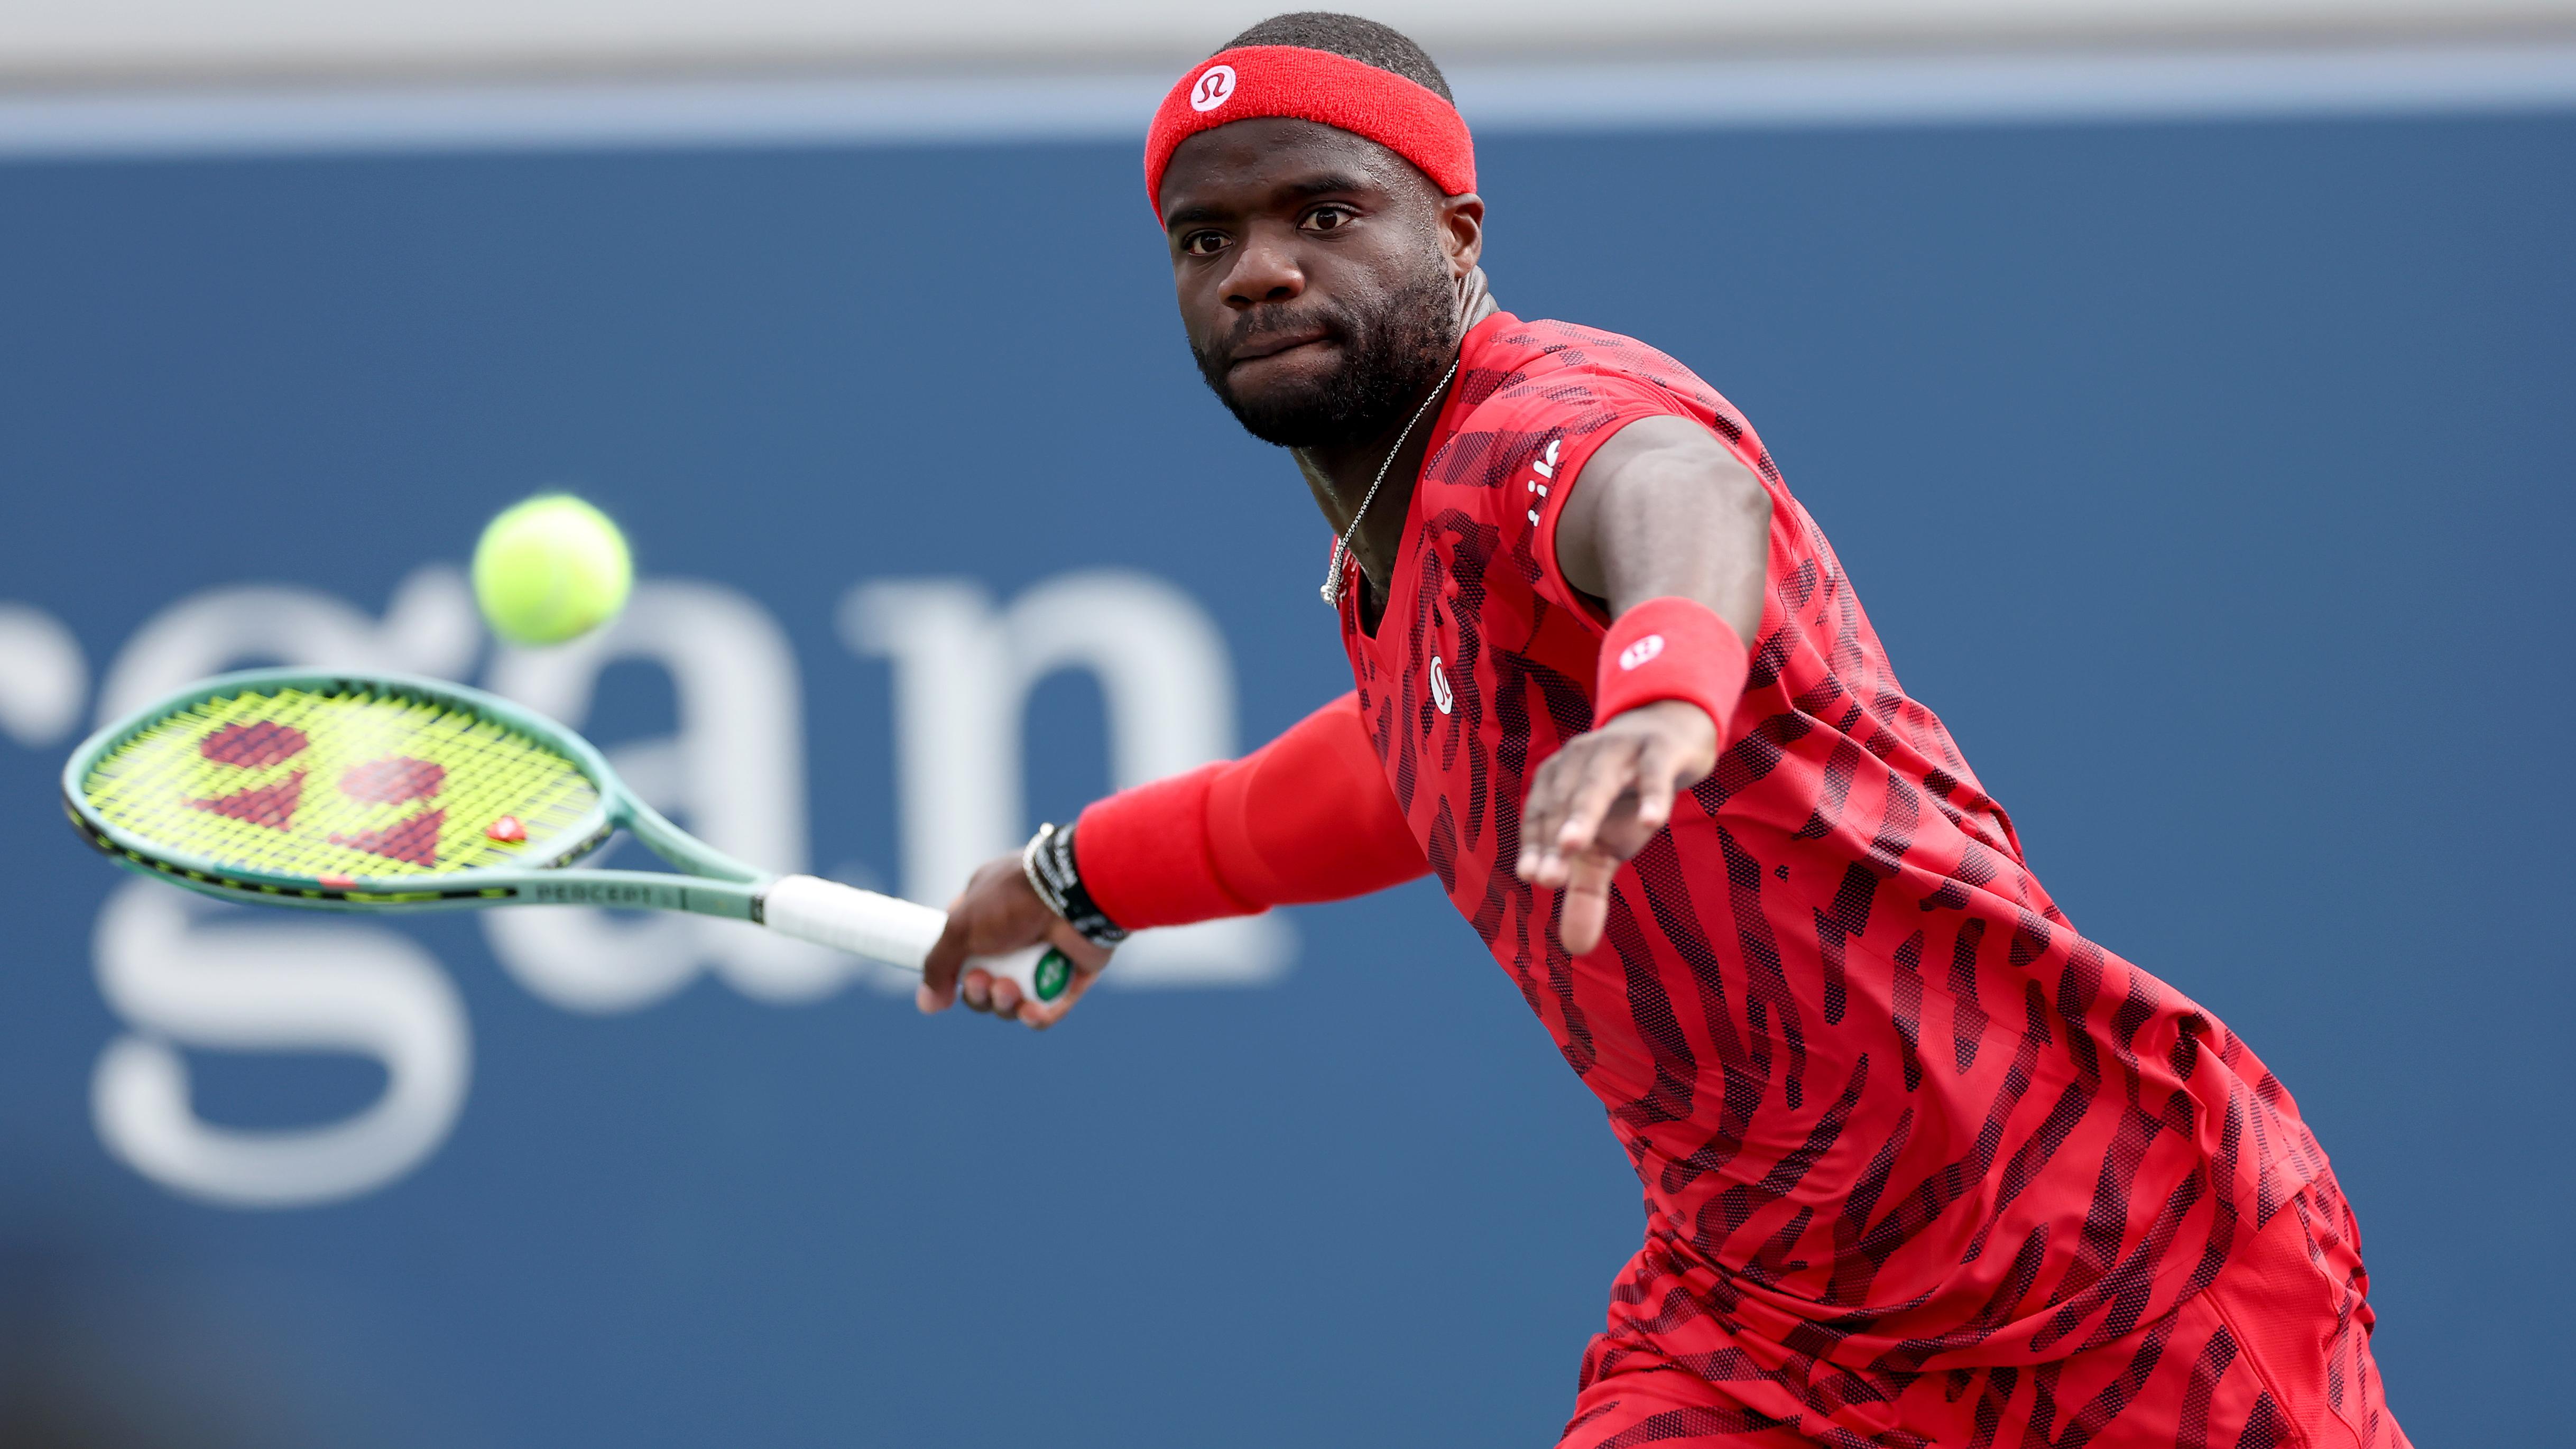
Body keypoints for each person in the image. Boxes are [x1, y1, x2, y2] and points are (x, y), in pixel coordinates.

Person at [923, 13, 2407, 1447]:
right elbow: (1389, 772)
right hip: (1763, 1328)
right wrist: (1079, 878)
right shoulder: (1396, 555)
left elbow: (1680, 492)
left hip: (2104, 1265)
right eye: (1206, 240)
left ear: (1456, 232)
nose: (1258, 270)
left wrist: (1663, 700)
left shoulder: (1539, 417)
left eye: (1323, 214)